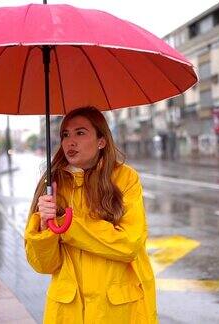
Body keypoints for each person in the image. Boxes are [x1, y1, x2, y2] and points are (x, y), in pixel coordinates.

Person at [25, 107, 157, 323]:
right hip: (69, 312)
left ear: (101, 141)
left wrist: (67, 226)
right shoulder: (53, 184)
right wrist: (44, 227)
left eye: (80, 133)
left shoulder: (125, 178)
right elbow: (44, 265)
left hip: (117, 311)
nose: (70, 142)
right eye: (65, 135)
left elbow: (129, 244)